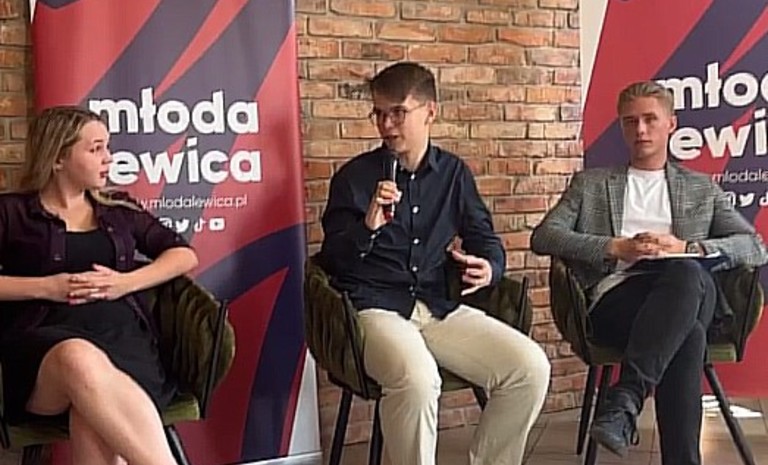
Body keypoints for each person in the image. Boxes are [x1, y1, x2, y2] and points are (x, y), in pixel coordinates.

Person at [319, 61, 551, 465]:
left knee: (529, 368)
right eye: (379, 113)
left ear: (430, 111)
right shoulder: (354, 178)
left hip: (437, 305)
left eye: (398, 112)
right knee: (418, 380)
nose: (386, 124)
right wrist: (367, 226)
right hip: (374, 307)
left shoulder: (454, 174)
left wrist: (489, 267)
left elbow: (484, 239)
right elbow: (332, 264)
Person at [530, 81, 768, 465]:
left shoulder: (700, 188)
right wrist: (615, 247)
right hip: (619, 301)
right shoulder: (591, 184)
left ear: (671, 124)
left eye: (649, 119)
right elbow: (544, 237)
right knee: (687, 334)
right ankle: (637, 413)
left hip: (688, 289)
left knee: (685, 274)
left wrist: (687, 247)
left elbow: (755, 246)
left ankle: (625, 399)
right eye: (630, 122)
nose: (640, 129)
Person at [0, 106, 199, 465]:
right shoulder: (11, 212)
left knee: (92, 413)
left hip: (123, 341)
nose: (108, 158)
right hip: (43, 352)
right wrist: (46, 287)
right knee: (79, 359)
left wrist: (125, 283)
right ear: (58, 158)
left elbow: (183, 255)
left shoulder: (119, 209)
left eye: (107, 147)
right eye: (95, 149)